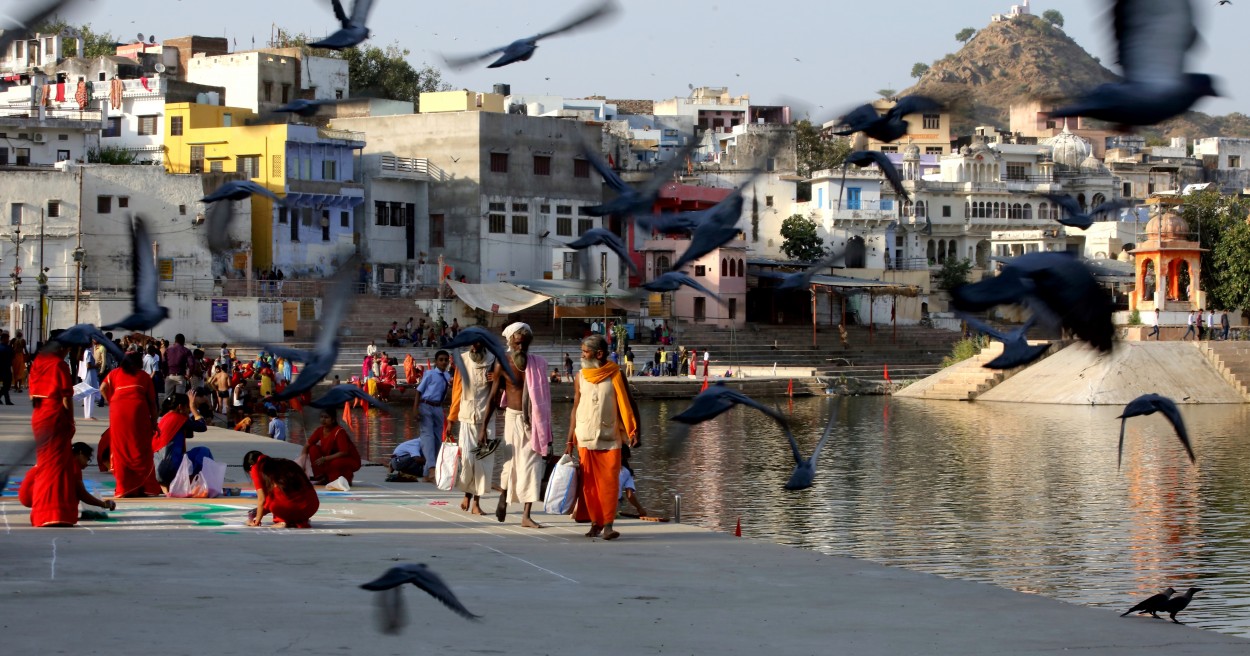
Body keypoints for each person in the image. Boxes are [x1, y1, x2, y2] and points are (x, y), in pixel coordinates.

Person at [566, 334, 639, 541]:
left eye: (585, 352)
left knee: (608, 483)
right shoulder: (580, 376)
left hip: (610, 437)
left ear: (599, 354)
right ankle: (594, 523)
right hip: (585, 436)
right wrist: (569, 440)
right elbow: (575, 407)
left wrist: (634, 431)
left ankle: (608, 525)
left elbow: (628, 403)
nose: (582, 355)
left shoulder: (615, 374)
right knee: (589, 485)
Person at [481, 322, 551, 528]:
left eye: (524, 344)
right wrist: (483, 427)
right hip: (512, 418)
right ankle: (503, 496)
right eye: (518, 343)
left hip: (533, 420)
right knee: (509, 463)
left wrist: (547, 429)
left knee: (532, 465)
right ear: (511, 342)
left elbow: (544, 400)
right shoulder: (503, 364)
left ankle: (526, 515)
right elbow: (494, 398)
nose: (521, 347)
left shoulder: (538, 364)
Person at [23, 341, 80, 526]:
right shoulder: (58, 364)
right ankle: (57, 512)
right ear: (62, 348)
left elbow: (32, 395)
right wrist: (70, 421)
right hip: (55, 416)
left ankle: (42, 513)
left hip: (39, 416)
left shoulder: (38, 363)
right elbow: (66, 397)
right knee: (58, 466)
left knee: (46, 463)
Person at [99, 351, 161, 497]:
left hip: (118, 412)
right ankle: (148, 487)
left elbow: (102, 388)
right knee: (141, 449)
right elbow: (152, 403)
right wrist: (154, 423)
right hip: (137, 413)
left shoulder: (114, 373)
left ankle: (123, 488)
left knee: (120, 449)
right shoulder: (144, 376)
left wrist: (111, 401)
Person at [446, 340, 498, 515]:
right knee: (467, 459)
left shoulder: (494, 360)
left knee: (483, 462)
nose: (473, 347)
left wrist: (498, 378)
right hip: (467, 417)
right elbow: (457, 392)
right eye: (471, 344)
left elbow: (503, 388)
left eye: (476, 343)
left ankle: (476, 502)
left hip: (487, 419)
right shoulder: (462, 361)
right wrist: (451, 420)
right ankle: (467, 493)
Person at [243, 450, 319, 529]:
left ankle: (284, 520)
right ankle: (298, 519)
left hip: (292, 508)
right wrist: (259, 511)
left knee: (271, 496)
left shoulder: (255, 467)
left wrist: (256, 521)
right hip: (311, 507)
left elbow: (262, 499)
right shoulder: (282, 463)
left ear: (250, 467)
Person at [154, 391, 210, 488]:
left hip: (158, 471)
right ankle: (202, 484)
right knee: (204, 452)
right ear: (180, 407)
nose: (189, 410)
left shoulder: (163, 418)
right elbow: (202, 427)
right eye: (187, 407)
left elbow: (189, 434)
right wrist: (193, 408)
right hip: (170, 470)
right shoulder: (178, 418)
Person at [414, 350, 451, 482]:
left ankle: (427, 472)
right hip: (426, 405)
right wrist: (415, 409)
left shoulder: (447, 376)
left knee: (437, 439)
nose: (443, 362)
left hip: (438, 407)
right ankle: (431, 467)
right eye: (441, 360)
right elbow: (419, 391)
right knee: (427, 436)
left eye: (446, 360)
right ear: (436, 361)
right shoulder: (430, 374)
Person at [302, 409, 361, 485]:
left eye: (326, 417)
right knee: (313, 449)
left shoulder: (339, 431)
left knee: (335, 463)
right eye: (322, 417)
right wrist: (302, 460)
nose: (323, 420)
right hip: (330, 457)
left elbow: (344, 452)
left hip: (349, 459)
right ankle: (321, 476)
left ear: (333, 420)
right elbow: (308, 444)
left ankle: (346, 478)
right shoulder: (320, 430)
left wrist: (325, 458)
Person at [618, 445, 648, 518]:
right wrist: (639, 508)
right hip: (611, 506)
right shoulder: (627, 472)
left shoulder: (602, 467)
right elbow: (630, 495)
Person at [78, 341, 101, 419]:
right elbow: (88, 365)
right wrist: (96, 366)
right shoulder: (88, 352)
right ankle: (89, 415)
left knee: (87, 395)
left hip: (86, 376)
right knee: (91, 395)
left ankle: (87, 414)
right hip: (90, 375)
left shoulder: (84, 352)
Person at [0, 332, 13, 405]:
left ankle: (7, 400)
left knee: (7, 385)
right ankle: (7, 401)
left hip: (6, 368)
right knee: (6, 385)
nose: (8, 340)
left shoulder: (7, 347)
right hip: (4, 369)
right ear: (4, 339)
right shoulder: (6, 348)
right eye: (7, 338)